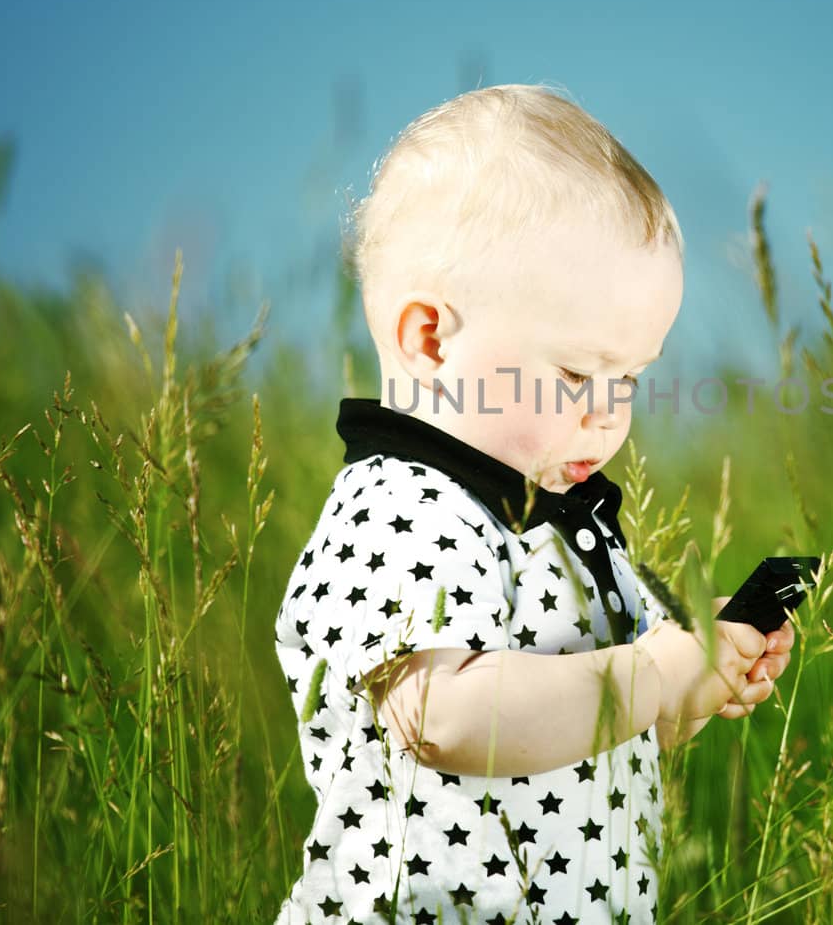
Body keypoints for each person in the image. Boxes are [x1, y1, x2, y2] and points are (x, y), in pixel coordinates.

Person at [274, 84, 796, 925]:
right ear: (431, 341)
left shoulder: (560, 520)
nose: (609, 412)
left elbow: (591, 728)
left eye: (629, 378)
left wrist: (686, 686)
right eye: (576, 374)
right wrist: (651, 673)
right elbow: (442, 714)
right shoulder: (403, 507)